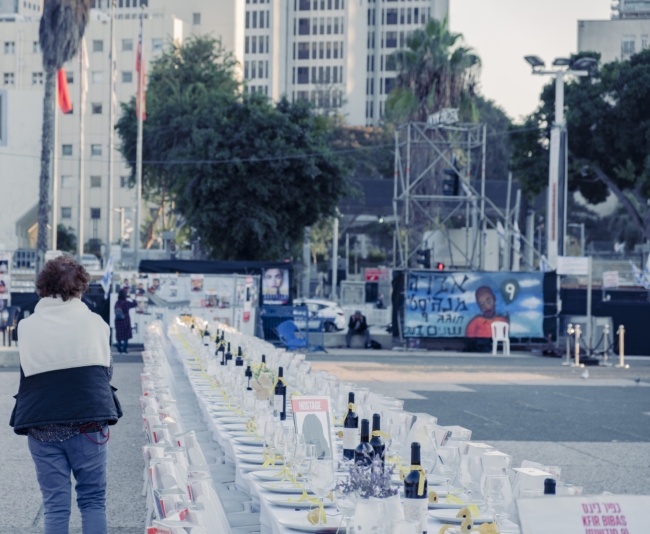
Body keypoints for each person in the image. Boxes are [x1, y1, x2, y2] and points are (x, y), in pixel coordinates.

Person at [9, 256, 122, 534]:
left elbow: (28, 373)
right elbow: (105, 374)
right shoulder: (96, 324)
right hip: (88, 423)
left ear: (43, 288)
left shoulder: (26, 327)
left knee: (55, 505)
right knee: (93, 501)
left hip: (42, 424)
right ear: (80, 288)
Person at [114, 289, 137, 353]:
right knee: (126, 336)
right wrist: (131, 297)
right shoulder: (126, 302)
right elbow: (135, 304)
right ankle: (124, 349)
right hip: (125, 321)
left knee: (119, 335)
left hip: (118, 320)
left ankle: (119, 348)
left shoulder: (117, 303)